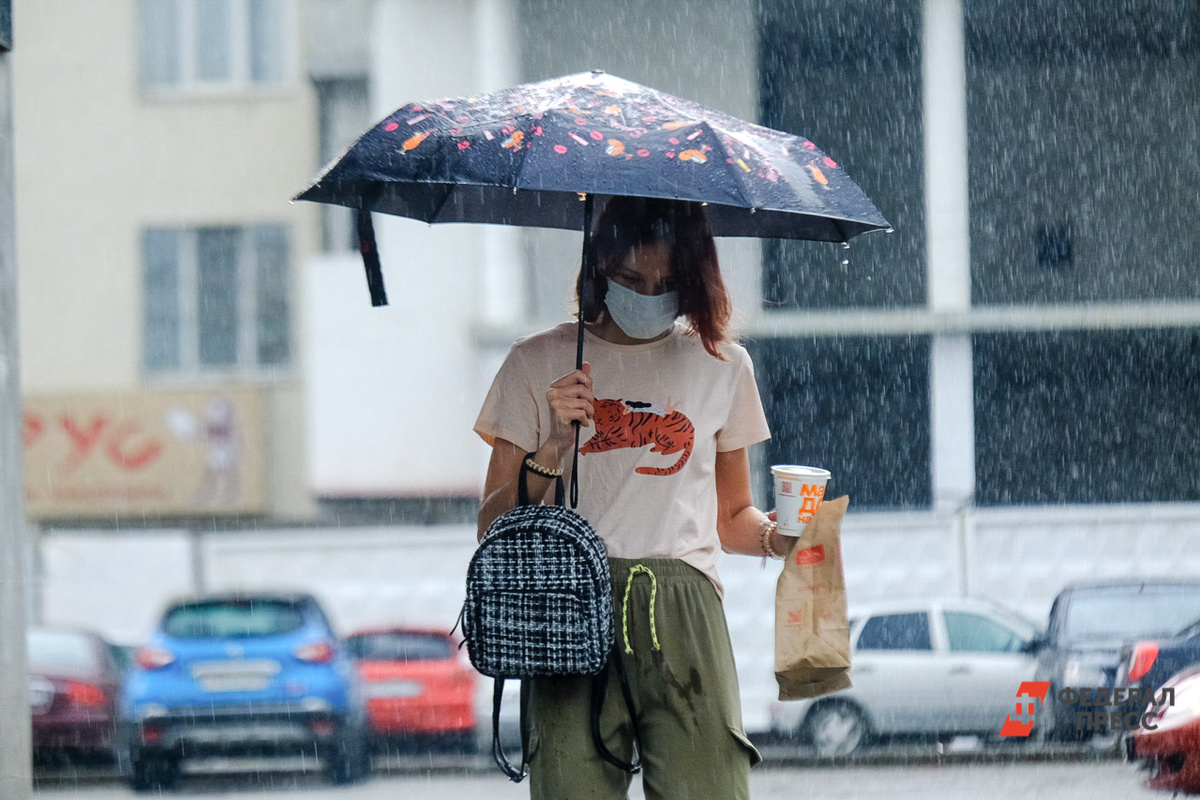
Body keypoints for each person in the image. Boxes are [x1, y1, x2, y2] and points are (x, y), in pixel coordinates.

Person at [474, 196, 788, 800]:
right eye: (630, 279)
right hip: (567, 602)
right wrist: (552, 447)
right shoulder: (536, 362)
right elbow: (493, 526)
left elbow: (731, 519)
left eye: (668, 283)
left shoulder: (723, 366)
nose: (649, 295)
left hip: (683, 606)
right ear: (598, 270)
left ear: (693, 282)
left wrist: (780, 536)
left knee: (711, 790)